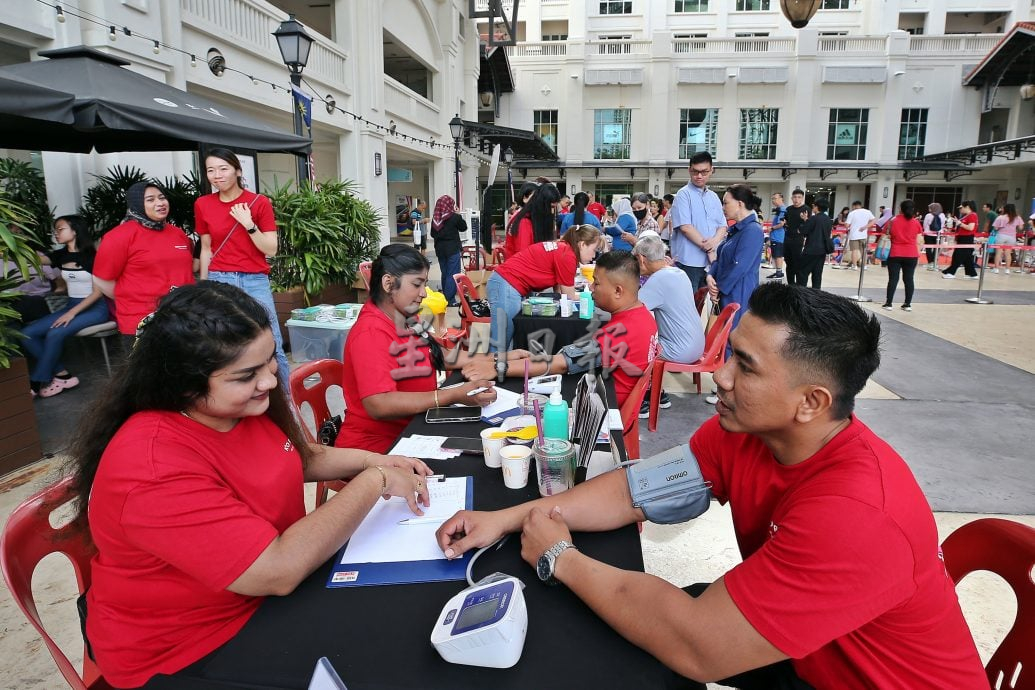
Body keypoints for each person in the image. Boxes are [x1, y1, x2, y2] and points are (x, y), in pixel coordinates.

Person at [438, 283, 987, 690]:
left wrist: (559, 556)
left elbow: (699, 645)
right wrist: (509, 518)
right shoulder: (746, 433)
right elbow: (636, 491)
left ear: (811, 402)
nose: (720, 376)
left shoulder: (857, 513)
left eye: (744, 367)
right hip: (814, 652)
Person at [69, 281, 435, 689]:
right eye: (247, 375)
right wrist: (376, 480)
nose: (268, 382)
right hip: (189, 647)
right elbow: (276, 569)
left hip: (265, 599)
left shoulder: (238, 409)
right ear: (184, 382)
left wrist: (378, 459)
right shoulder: (151, 467)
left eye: (270, 365)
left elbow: (297, 456)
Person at [336, 245, 498, 453]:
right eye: (416, 284)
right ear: (388, 283)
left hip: (414, 426)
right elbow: (379, 404)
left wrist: (497, 358)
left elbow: (438, 355)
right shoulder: (370, 332)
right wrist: (452, 395)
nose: (423, 294)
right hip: (377, 447)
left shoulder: (406, 316)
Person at [465, 250, 658, 409]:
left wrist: (496, 367)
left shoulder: (622, 331)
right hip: (610, 398)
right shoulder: (644, 316)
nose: (590, 288)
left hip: (602, 409)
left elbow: (563, 363)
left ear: (618, 291)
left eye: (597, 283)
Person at [194, 148, 289, 388]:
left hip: (254, 280)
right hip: (218, 280)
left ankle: (288, 404)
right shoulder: (203, 204)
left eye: (223, 169)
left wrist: (249, 224)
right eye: (211, 170)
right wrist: (204, 286)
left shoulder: (259, 202)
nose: (217, 175)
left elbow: (271, 249)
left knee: (272, 341)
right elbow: (206, 249)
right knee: (225, 343)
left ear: (237, 170)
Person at [19, 215, 111, 397]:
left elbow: (97, 293)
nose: (56, 232)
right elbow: (36, 259)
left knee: (56, 332)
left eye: (60, 229)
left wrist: (71, 314)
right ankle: (63, 375)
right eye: (56, 229)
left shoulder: (93, 257)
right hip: (72, 305)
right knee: (26, 334)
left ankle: (37, 381)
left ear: (75, 230)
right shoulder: (61, 255)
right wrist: (16, 241)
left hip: (95, 308)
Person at [93, 181, 195, 341]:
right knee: (149, 366)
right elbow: (101, 279)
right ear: (137, 204)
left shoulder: (177, 233)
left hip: (183, 316)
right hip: (141, 320)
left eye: (162, 198)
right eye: (150, 199)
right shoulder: (119, 236)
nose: (160, 203)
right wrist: (131, 296)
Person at [487, 225, 601, 351]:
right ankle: (491, 369)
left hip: (505, 283)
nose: (594, 255)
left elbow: (559, 291)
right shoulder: (567, 255)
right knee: (501, 340)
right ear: (582, 244)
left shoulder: (563, 248)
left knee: (506, 338)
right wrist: (594, 293)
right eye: (594, 250)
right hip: (507, 283)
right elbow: (570, 296)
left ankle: (500, 368)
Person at [633, 235, 704, 418]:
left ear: (641, 259)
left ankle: (643, 399)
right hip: (696, 345)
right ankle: (659, 393)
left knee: (633, 344)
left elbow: (631, 309)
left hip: (679, 349)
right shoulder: (678, 272)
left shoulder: (659, 279)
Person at [707, 184, 764, 339]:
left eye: (726, 203)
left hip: (738, 292)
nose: (723, 207)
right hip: (726, 289)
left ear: (740, 204)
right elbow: (721, 258)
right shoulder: (736, 230)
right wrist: (710, 276)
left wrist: (718, 288)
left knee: (731, 339)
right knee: (722, 338)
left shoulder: (753, 230)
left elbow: (739, 267)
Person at [669, 152, 727, 292]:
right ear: (689, 170)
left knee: (705, 304)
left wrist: (714, 243)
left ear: (711, 170)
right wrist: (708, 247)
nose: (699, 176)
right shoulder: (683, 195)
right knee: (689, 303)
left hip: (711, 261)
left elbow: (722, 225)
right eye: (695, 172)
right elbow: (685, 227)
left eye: (704, 172)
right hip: (689, 261)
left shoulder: (713, 197)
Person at [881, 199, 925, 312]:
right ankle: (907, 304)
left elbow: (885, 234)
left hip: (895, 253)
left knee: (893, 279)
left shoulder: (893, 221)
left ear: (900, 208)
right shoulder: (916, 222)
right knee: (909, 279)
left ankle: (889, 303)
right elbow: (920, 240)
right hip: (911, 254)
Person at [503, 182, 560, 259]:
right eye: (551, 207)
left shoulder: (524, 216)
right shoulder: (524, 222)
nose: (552, 212)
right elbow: (523, 257)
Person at [429, 195, 466, 305]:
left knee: (445, 273)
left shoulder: (436, 218)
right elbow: (463, 227)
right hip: (452, 249)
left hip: (440, 249)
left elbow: (432, 234)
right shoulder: (455, 217)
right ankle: (450, 300)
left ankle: (445, 297)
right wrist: (458, 214)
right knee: (452, 274)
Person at [795, 198, 834, 289]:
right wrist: (806, 220)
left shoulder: (814, 218)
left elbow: (803, 231)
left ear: (817, 207)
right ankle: (816, 294)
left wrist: (803, 223)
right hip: (822, 250)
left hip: (811, 249)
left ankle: (801, 293)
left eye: (814, 206)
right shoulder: (828, 219)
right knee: (817, 274)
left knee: (802, 272)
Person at [942, 201, 979, 279]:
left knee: (958, 255)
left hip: (967, 238)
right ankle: (972, 273)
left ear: (967, 207)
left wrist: (959, 223)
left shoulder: (972, 215)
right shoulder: (966, 216)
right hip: (962, 237)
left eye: (962, 207)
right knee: (967, 257)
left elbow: (970, 228)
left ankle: (951, 272)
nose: (960, 209)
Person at [781, 189, 809, 285]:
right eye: (795, 197)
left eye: (799, 197)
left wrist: (805, 220)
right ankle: (791, 285)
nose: (796, 199)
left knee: (797, 262)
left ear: (802, 198)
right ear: (791, 198)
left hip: (799, 239)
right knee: (789, 263)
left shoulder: (806, 209)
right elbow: (785, 222)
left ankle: (799, 286)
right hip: (787, 238)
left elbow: (810, 225)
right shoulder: (788, 209)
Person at [843, 200, 874, 271]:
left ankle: (854, 266)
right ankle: (864, 266)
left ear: (853, 206)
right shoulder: (868, 212)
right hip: (863, 235)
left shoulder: (852, 213)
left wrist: (846, 225)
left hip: (854, 235)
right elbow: (874, 220)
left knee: (854, 250)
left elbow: (847, 225)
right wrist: (866, 227)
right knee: (863, 251)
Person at [991, 203, 1023, 274]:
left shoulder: (1000, 217)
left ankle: (996, 269)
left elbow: (995, 228)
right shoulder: (1017, 217)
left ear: (1005, 209)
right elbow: (1021, 228)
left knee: (998, 253)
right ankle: (1007, 269)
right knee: (1008, 253)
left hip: (1001, 235)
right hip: (1012, 237)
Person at [767, 192, 787, 280]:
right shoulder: (778, 209)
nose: (773, 200)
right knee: (775, 254)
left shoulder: (782, 210)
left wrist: (772, 228)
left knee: (778, 254)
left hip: (779, 237)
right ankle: (777, 272)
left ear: (781, 199)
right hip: (775, 236)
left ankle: (779, 273)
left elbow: (782, 223)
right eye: (772, 199)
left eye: (775, 198)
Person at [921, 202, 944, 270]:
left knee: (928, 249)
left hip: (928, 234)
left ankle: (930, 262)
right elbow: (942, 225)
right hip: (938, 234)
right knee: (936, 248)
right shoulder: (942, 215)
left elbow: (925, 225)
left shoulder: (928, 215)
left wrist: (927, 230)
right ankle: (934, 262)